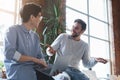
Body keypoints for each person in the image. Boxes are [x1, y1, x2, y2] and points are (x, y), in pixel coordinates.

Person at [3, 3, 47, 80]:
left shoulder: (35, 36)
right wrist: (33, 59)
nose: (40, 19)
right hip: (18, 73)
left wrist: (46, 65)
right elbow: (10, 53)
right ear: (32, 17)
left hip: (34, 71)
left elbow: (40, 57)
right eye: (39, 16)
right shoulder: (12, 31)